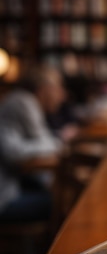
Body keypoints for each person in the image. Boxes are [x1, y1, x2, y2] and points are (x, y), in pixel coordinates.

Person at [0, 64, 77, 223]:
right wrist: (58, 142)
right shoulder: (24, 102)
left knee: (67, 196)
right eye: (58, 87)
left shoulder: (21, 100)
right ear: (45, 89)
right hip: (6, 200)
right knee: (68, 203)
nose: (62, 95)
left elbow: (45, 143)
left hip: (15, 189)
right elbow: (18, 152)